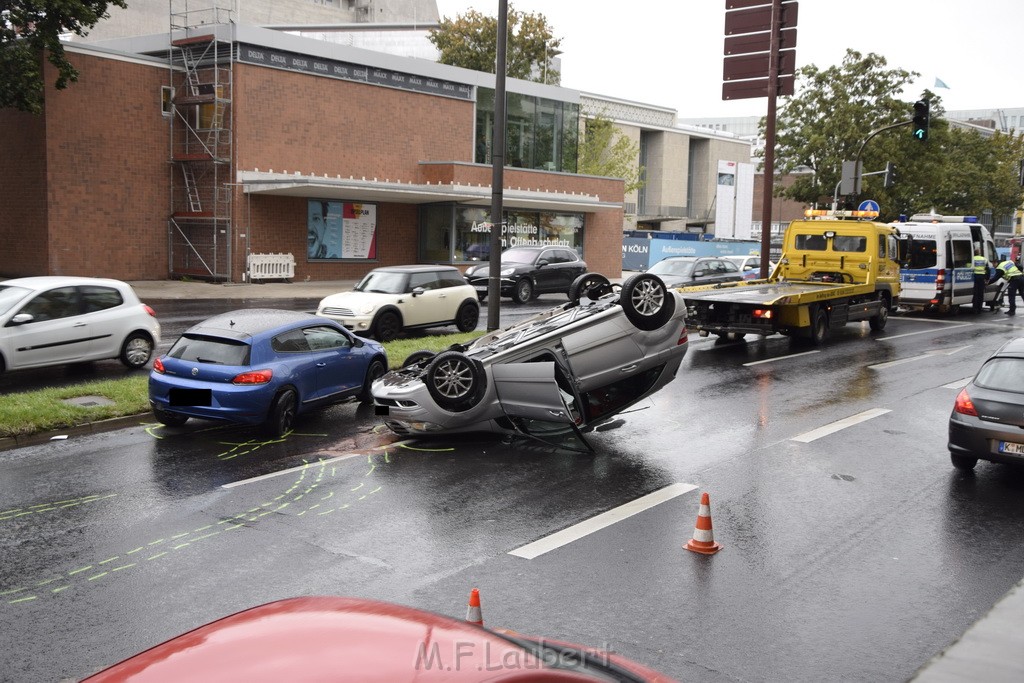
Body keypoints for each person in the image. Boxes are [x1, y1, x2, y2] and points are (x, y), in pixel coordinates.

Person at [972, 247, 990, 314]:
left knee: (975, 293)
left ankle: (974, 309)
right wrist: (987, 279)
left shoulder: (972, 259)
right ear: (979, 253)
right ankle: (979, 309)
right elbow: (988, 270)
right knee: (981, 294)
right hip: (982, 277)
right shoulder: (984, 259)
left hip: (974, 277)